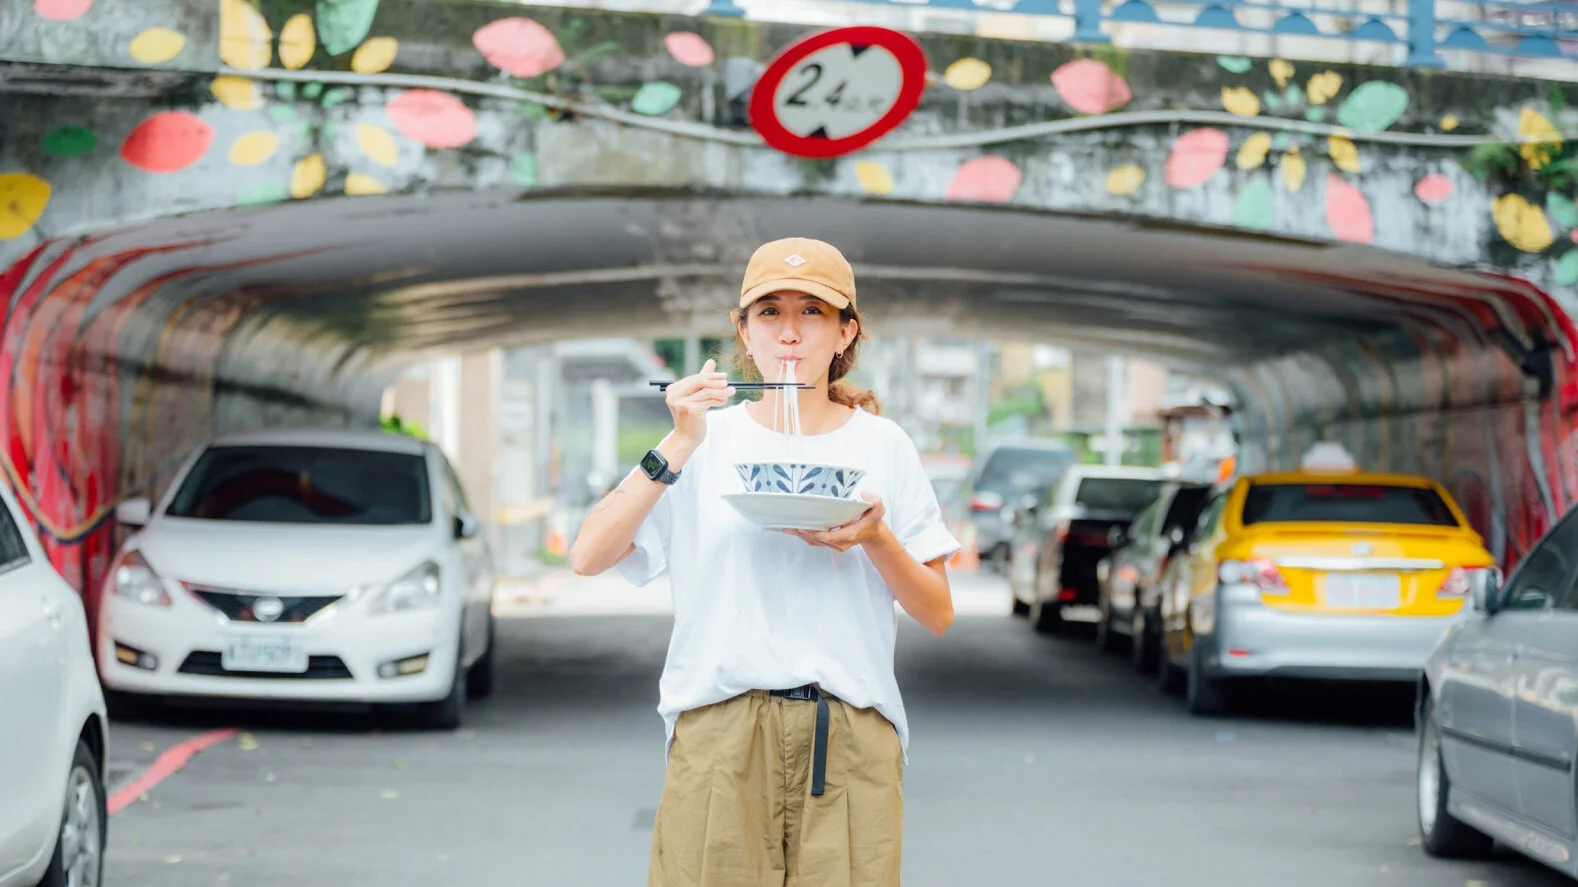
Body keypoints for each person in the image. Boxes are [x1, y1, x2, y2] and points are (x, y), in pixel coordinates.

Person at [568, 237, 960, 886]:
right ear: (743, 331)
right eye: (770, 312)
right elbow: (588, 554)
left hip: (849, 733)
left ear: (845, 332)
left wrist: (875, 538)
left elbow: (939, 610)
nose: (789, 333)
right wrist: (678, 441)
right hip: (720, 729)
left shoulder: (882, 445)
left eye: (812, 312)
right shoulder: (703, 441)